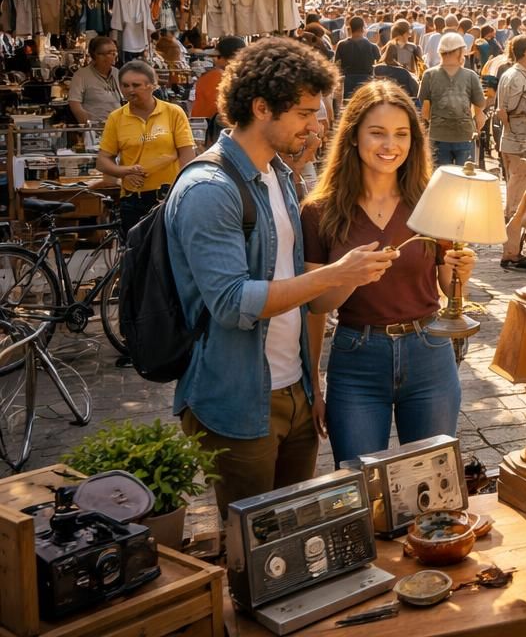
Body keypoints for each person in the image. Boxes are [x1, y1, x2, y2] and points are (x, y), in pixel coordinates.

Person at [166, 38, 399, 514]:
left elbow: (308, 301)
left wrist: (311, 382)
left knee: (296, 536)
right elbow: (233, 303)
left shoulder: (278, 175)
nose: (317, 125)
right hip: (237, 398)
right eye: (304, 113)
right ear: (260, 107)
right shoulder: (209, 189)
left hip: (293, 392)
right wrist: (335, 272)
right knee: (254, 549)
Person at [301, 81, 475, 466]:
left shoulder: (433, 201)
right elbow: (315, 305)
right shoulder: (319, 211)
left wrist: (460, 271)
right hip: (356, 357)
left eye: (401, 134)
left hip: (429, 351)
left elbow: (448, 288)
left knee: (433, 477)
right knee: (361, 480)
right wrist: (349, 276)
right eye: (376, 133)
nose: (389, 145)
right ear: (353, 137)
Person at [96, 60, 196, 231]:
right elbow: (102, 161)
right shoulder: (116, 118)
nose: (130, 90)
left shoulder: (173, 112)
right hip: (133, 199)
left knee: (168, 252)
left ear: (153, 86)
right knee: (137, 254)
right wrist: (125, 171)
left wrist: (182, 190)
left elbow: (187, 155)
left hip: (168, 196)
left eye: (136, 85)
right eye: (125, 85)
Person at [497, 36, 526, 271]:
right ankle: (511, 252)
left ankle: (518, 248)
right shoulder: (514, 76)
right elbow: (506, 112)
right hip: (519, 143)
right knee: (517, 200)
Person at [418, 33, 485, 167]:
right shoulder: (470, 76)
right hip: (464, 135)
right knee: (464, 180)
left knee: (441, 179)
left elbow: (424, 111)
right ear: (459, 51)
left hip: (438, 135)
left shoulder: (429, 75)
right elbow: (480, 109)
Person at [190, 35, 246, 147]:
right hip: (211, 133)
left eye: (218, 57)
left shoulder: (218, 76)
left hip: (206, 132)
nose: (214, 59)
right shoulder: (220, 77)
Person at [67, 35, 122, 124]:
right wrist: (87, 124)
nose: (114, 55)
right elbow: (74, 103)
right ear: (97, 56)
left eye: (115, 52)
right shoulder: (81, 75)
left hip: (118, 126)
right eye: (110, 53)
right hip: (95, 129)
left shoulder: (117, 73)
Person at [335, 16, 379, 98]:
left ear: (350, 28)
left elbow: (336, 65)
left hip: (348, 81)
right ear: (363, 28)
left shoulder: (342, 45)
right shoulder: (372, 46)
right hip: (367, 81)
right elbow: (380, 65)